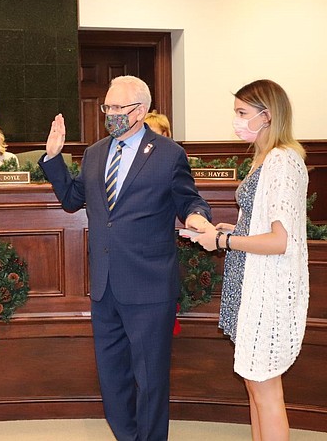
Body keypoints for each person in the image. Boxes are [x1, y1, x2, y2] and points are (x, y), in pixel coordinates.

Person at [39, 75, 212, 441]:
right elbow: (73, 200)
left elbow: (188, 199)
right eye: (107, 107)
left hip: (149, 285)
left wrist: (197, 217)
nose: (111, 114)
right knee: (113, 378)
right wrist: (53, 158)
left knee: (149, 380)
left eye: (119, 108)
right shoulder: (95, 152)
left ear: (142, 110)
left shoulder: (168, 153)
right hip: (105, 286)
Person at [192, 79, 309, 441]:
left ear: (267, 115)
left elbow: (279, 240)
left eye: (243, 113)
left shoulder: (281, 160)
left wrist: (224, 240)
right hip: (250, 283)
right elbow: (263, 223)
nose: (237, 120)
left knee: (267, 390)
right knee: (255, 386)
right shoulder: (264, 157)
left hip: (269, 288)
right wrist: (236, 227)